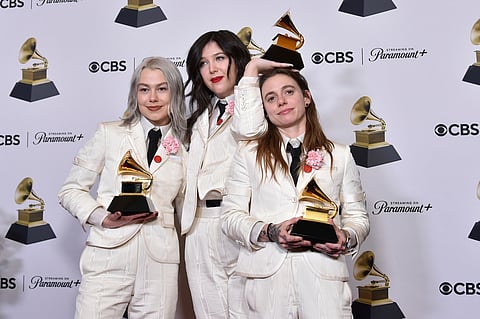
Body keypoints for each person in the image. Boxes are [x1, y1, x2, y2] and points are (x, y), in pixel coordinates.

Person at [221, 68, 370, 319]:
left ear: (307, 97)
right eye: (270, 97)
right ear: (264, 108)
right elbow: (229, 217)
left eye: (288, 92)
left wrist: (346, 236)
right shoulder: (247, 154)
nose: (281, 101)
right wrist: (270, 231)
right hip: (266, 278)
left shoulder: (341, 155)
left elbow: (359, 218)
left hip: (324, 276)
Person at [58, 56, 187, 319]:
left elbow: (187, 209)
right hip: (108, 254)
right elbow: (70, 190)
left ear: (174, 92)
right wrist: (102, 218)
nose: (152, 98)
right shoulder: (109, 133)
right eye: (144, 89)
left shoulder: (188, 145)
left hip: (160, 262)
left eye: (162, 89)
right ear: (135, 94)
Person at [180, 30, 290, 319]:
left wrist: (252, 72)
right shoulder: (199, 117)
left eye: (219, 58)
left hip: (241, 221)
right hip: (198, 227)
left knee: (250, 311)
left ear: (237, 60)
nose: (212, 69)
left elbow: (250, 131)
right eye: (203, 63)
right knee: (208, 311)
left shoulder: (259, 106)